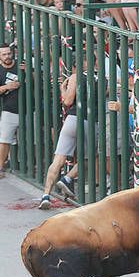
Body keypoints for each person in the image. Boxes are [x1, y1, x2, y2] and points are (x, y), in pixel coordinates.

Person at [38, 69, 81, 209]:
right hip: (88, 120)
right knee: (92, 159)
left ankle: (46, 195)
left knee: (57, 160)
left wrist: (63, 88)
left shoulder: (75, 76)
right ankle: (67, 178)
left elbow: (67, 101)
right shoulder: (102, 77)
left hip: (71, 119)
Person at [0, 44, 20, 180]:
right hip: (9, 109)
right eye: (4, 54)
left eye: (9, 53)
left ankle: (27, 165)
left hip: (29, 110)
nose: (7, 56)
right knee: (5, 139)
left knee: (33, 140)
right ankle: (0, 168)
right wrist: (6, 87)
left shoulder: (21, 65)